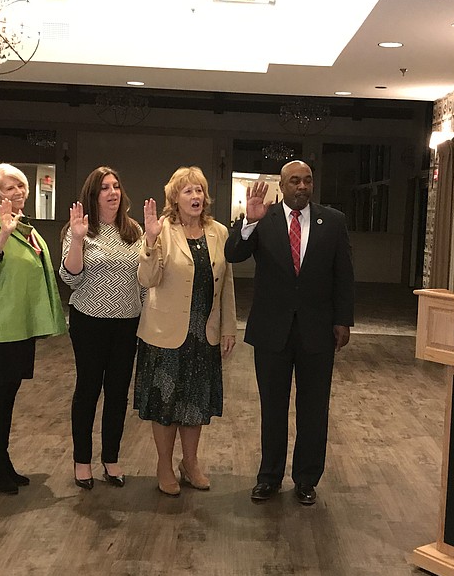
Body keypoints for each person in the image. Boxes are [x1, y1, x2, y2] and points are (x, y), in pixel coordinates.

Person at [224, 160, 355, 506]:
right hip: (272, 331)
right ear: (281, 186)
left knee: (314, 409)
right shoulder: (261, 219)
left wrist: (343, 320)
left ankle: (306, 479)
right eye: (294, 181)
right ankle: (269, 477)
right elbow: (233, 254)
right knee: (273, 407)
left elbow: (344, 274)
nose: (302, 187)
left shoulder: (333, 221)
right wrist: (248, 222)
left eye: (307, 181)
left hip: (317, 332)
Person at [135, 166, 236, 496]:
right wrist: (149, 241)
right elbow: (147, 279)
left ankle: (190, 463)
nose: (196, 196)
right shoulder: (161, 229)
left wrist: (228, 327)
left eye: (200, 190)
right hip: (166, 334)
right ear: (174, 198)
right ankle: (164, 465)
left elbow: (227, 284)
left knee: (195, 403)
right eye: (188, 190)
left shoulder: (218, 232)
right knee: (165, 404)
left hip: (202, 334)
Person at [0, 163, 67, 495]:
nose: (19, 192)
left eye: (21, 186)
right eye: (10, 188)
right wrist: (3, 234)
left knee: (7, 397)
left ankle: (2, 462)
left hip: (19, 327)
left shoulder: (26, 227)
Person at [60, 166, 144, 490]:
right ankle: (82, 461)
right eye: (105, 188)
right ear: (93, 196)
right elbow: (71, 278)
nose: (112, 192)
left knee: (118, 393)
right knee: (88, 389)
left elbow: (144, 281)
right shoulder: (79, 229)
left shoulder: (134, 231)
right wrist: (78, 241)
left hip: (126, 323)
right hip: (89, 322)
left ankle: (111, 458)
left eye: (116, 186)